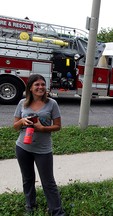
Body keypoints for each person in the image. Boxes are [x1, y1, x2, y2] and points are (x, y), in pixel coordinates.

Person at [13, 74, 65, 215]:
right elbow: (15, 126)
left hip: (43, 149)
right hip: (23, 147)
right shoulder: (22, 103)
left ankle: (57, 211)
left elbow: (58, 126)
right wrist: (22, 121)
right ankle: (30, 206)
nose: (40, 87)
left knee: (48, 182)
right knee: (27, 179)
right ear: (30, 87)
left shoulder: (51, 104)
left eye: (43, 84)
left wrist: (43, 129)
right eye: (37, 85)